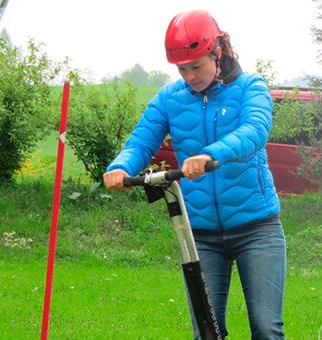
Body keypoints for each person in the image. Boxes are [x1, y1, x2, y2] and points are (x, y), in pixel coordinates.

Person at [103, 9, 285, 340]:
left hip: (257, 229)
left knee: (266, 328)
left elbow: (254, 130)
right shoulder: (169, 99)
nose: (189, 76)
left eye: (196, 66)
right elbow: (142, 140)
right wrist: (120, 167)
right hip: (200, 235)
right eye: (182, 69)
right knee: (207, 331)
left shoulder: (250, 87)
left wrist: (211, 153)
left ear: (217, 51)